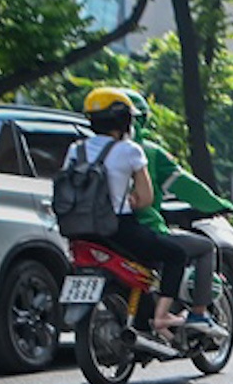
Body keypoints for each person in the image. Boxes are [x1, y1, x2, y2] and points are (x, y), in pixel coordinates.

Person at [71, 88, 221, 338]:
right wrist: (129, 200)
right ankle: (162, 316)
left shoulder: (76, 150)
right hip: (119, 229)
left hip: (82, 230)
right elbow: (146, 199)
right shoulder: (131, 150)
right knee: (174, 254)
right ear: (125, 120)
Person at [123, 89, 233, 340]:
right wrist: (218, 204)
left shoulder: (89, 150)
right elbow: (187, 187)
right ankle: (198, 312)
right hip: (145, 229)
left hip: (104, 231)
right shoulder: (146, 152)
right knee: (205, 247)